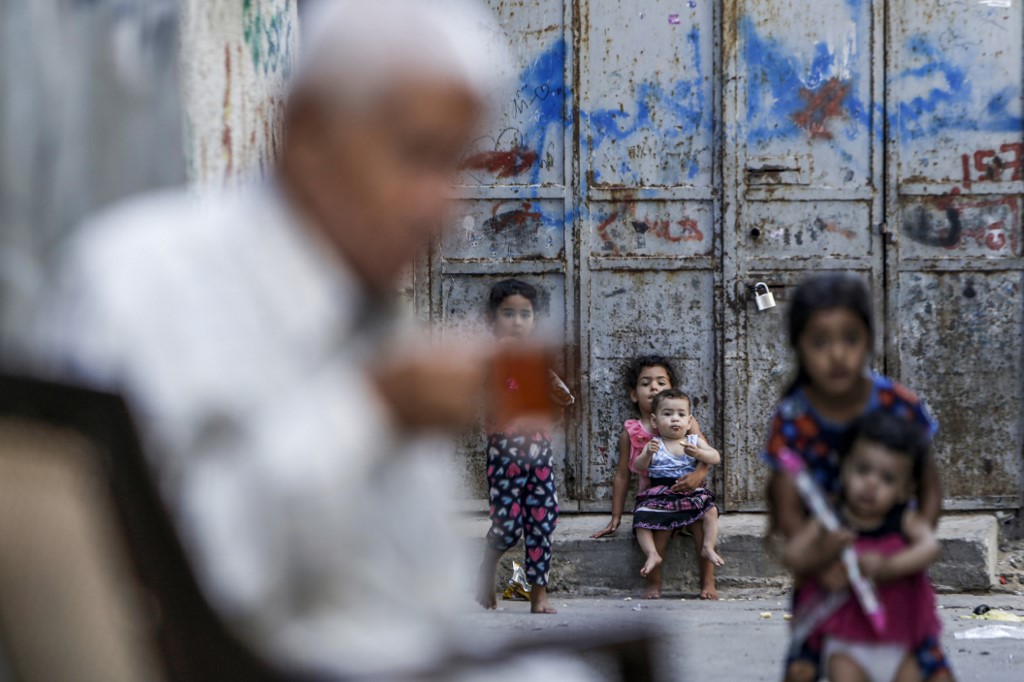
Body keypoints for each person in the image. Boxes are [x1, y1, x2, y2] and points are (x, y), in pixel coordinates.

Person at [26, 1, 565, 678]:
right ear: (307, 133)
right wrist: (370, 410)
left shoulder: (368, 315)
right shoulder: (146, 284)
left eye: (454, 165)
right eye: (416, 155)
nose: (442, 207)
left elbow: (412, 603)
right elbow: (141, 582)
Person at [761, 272, 946, 682]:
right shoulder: (792, 419)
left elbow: (929, 491)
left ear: (869, 340)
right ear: (798, 346)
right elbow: (786, 509)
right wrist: (819, 561)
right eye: (820, 342)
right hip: (826, 570)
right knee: (804, 670)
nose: (838, 355)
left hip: (893, 570)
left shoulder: (899, 405)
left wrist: (899, 553)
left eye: (850, 338)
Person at [782, 413, 950, 682]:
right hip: (846, 641)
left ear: (905, 490)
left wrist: (889, 566)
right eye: (862, 470)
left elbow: (930, 547)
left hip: (901, 636)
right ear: (844, 468)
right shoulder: (829, 519)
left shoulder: (904, 520)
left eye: (887, 479)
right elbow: (792, 555)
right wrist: (822, 553)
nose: (871, 483)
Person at [475, 278, 573, 615]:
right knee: (508, 527)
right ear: (493, 320)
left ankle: (539, 596)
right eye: (508, 314)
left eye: (525, 315)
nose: (517, 322)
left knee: (542, 524)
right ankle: (488, 566)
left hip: (540, 456)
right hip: (505, 456)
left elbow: (556, 407)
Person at [592, 356, 720, 600]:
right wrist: (615, 517)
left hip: (690, 493)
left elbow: (706, 455)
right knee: (658, 531)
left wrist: (698, 475)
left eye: (661, 383)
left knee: (702, 525)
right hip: (657, 498)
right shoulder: (633, 431)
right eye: (646, 383)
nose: (654, 388)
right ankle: (654, 582)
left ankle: (708, 581)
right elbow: (623, 475)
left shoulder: (686, 423)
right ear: (634, 394)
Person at [632, 389, 723, 581]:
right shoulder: (654, 444)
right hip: (661, 493)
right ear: (655, 421)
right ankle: (652, 554)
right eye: (667, 414)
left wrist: (699, 454)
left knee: (711, 511)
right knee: (640, 516)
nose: (675, 419)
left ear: (689, 422)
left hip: (691, 492)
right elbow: (638, 466)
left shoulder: (693, 441)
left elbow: (715, 457)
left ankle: (708, 547)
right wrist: (647, 454)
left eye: (681, 415)